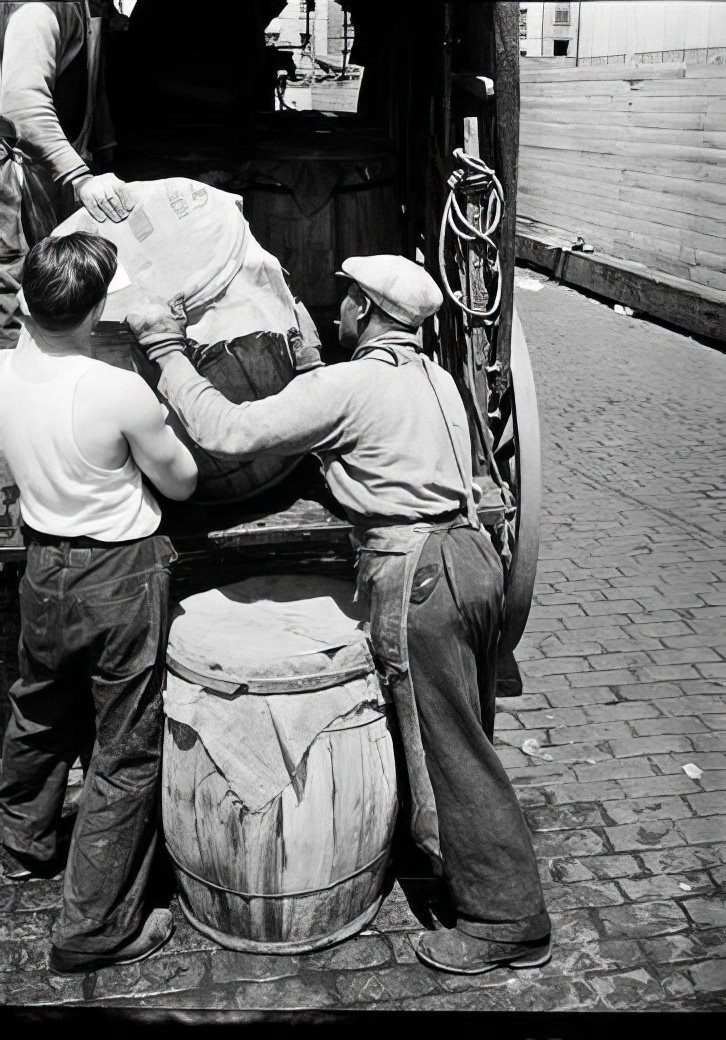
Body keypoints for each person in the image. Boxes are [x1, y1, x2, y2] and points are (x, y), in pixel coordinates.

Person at [127, 253, 552, 975]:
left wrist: (166, 350)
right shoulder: (432, 377)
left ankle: (505, 920)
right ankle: (490, 893)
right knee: (467, 738)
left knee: (451, 755)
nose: (339, 307)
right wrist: (315, 369)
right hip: (470, 559)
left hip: (420, 574)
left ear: (366, 309)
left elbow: (228, 433)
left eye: (347, 298)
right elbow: (360, 422)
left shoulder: (349, 385)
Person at [0, 232, 198, 974]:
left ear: (24, 300)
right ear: (96, 313)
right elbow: (179, 482)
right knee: (124, 748)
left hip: (44, 565)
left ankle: (24, 845)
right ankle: (93, 928)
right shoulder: (115, 389)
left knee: (39, 708)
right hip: (119, 573)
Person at [0, 1, 133, 225]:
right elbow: (22, 104)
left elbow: (89, 81)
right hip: (15, 182)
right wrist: (80, 177)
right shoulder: (43, 9)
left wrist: (102, 146)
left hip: (50, 172)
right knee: (27, 258)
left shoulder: (90, 10)